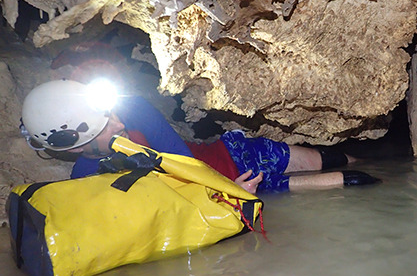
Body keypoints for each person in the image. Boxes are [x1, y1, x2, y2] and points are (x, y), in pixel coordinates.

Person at [20, 79, 380, 194]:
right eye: (104, 125)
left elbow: (188, 164)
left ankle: (390, 164)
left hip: (232, 157)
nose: (117, 121)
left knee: (333, 160)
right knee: (349, 183)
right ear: (79, 145)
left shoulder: (134, 109)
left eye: (110, 112)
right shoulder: (85, 181)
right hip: (231, 193)